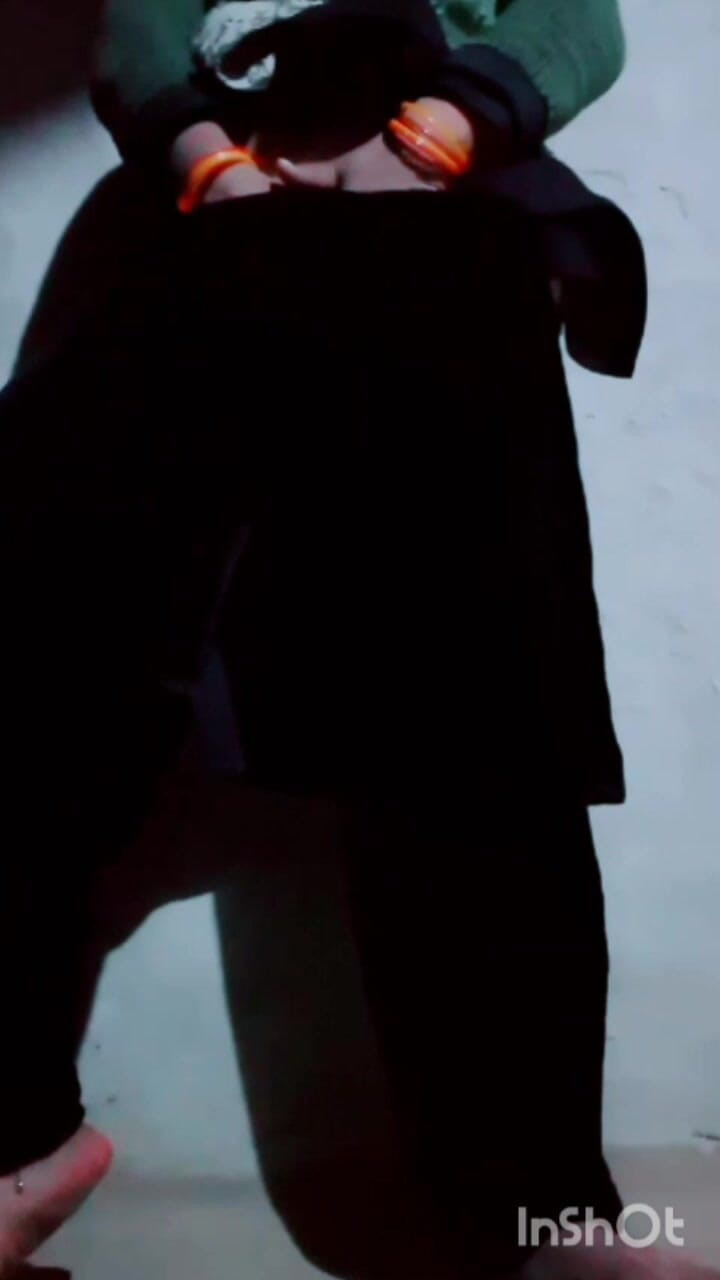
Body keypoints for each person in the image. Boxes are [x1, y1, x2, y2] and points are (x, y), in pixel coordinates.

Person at [0, 1, 711, 1277]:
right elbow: (136, 25)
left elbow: (577, 19)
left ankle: (543, 1209)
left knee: (486, 728)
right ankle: (7, 1155)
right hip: (193, 235)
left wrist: (425, 142)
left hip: (436, 250)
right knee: (46, 685)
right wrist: (214, 171)